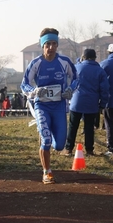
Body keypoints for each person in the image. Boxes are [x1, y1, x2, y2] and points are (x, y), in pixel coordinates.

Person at [20, 27, 78, 184]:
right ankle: (47, 172)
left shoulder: (64, 62)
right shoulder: (36, 63)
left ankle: (49, 136)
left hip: (59, 106)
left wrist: (70, 90)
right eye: (47, 44)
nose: (51, 47)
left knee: (59, 145)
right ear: (42, 46)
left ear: (57, 45)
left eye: (54, 44)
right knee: (46, 140)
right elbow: (24, 84)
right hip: (42, 106)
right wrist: (34, 91)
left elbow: (76, 78)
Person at [62, 49, 109, 156]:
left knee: (73, 126)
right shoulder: (100, 71)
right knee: (89, 127)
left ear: (83, 56)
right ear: (95, 58)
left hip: (76, 101)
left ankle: (68, 149)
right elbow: (105, 89)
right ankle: (89, 150)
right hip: (92, 103)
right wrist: (103, 103)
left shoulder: (76, 67)